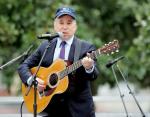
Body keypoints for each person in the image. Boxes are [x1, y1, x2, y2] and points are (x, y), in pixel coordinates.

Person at [18, 6, 99, 117]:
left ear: (75, 27)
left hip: (79, 111)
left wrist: (89, 67)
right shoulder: (46, 46)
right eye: (61, 23)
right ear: (55, 26)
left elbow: (93, 76)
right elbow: (24, 65)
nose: (65, 27)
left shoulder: (86, 47)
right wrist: (32, 80)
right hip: (52, 110)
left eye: (69, 23)